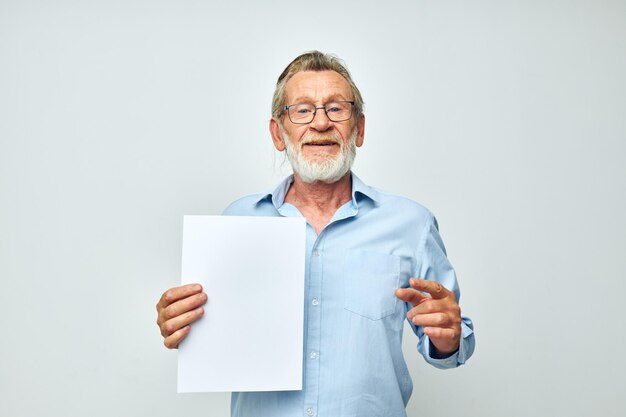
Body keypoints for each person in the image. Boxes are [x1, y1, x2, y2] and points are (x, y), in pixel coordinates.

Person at [156, 51, 475, 417]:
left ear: (360, 129)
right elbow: (206, 333)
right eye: (302, 110)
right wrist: (179, 322)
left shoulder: (411, 224)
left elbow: (454, 342)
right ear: (279, 133)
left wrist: (449, 340)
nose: (320, 123)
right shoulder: (237, 220)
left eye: (337, 109)